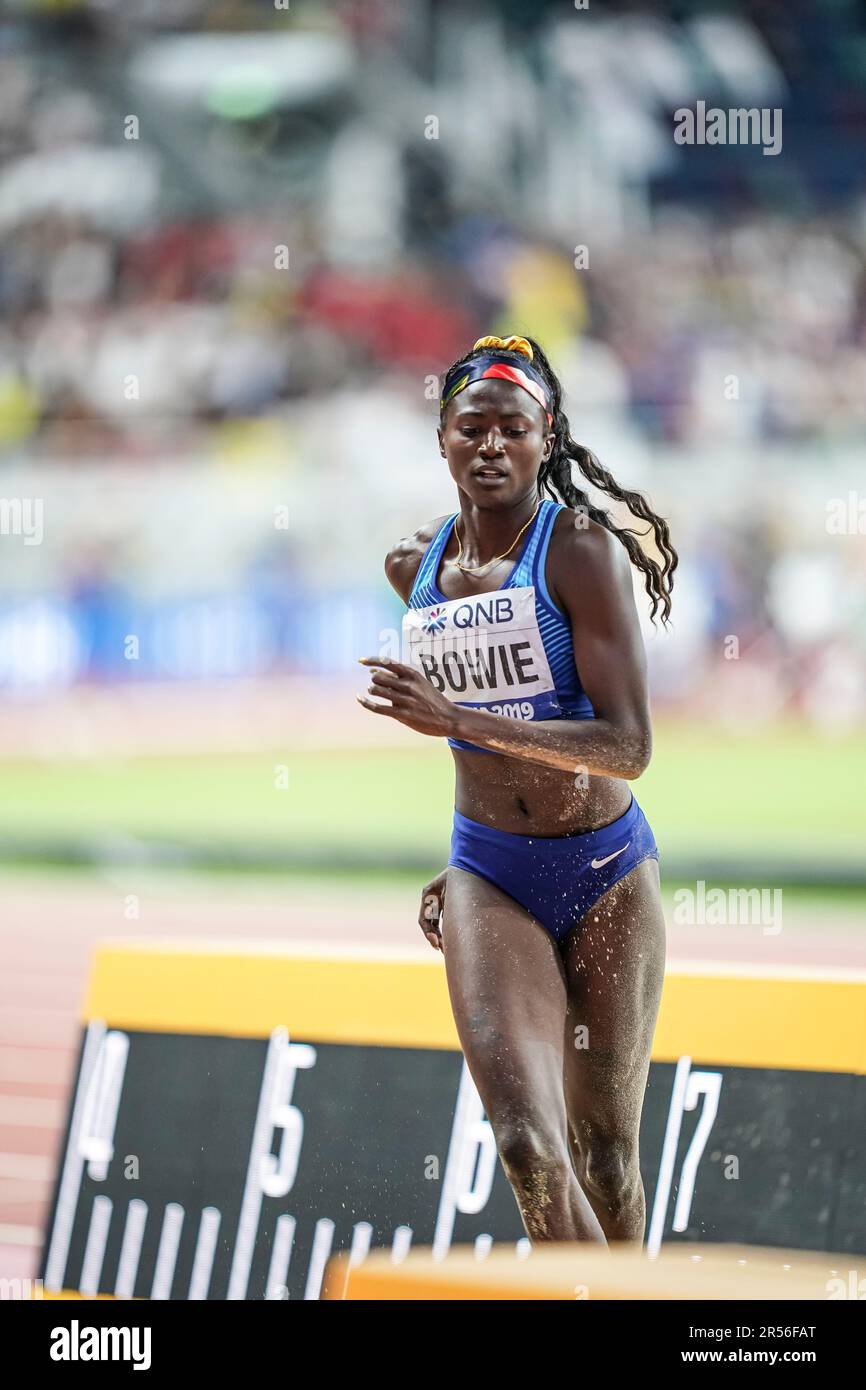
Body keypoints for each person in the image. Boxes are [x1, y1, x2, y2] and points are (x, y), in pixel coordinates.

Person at [358, 333, 677, 1245]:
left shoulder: (579, 552)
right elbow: (478, 745)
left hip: (607, 867)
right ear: (443, 441)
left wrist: (457, 718)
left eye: (514, 429)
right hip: (489, 871)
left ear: (547, 440)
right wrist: (460, 862)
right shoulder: (410, 569)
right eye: (472, 428)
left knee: (606, 1154)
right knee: (528, 1149)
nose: (491, 445)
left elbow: (628, 746)